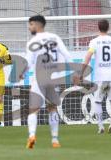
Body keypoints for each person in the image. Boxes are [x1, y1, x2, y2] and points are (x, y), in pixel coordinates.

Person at [19, 15, 72, 149]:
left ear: (37, 25)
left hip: (39, 77)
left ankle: (32, 136)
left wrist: (22, 74)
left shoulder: (33, 41)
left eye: (30, 24)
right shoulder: (55, 38)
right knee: (52, 109)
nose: (29, 27)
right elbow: (67, 55)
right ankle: (55, 140)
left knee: (33, 110)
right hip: (53, 77)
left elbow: (28, 63)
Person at [76, 19, 111, 133]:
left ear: (98, 28)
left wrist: (81, 72)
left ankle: (100, 126)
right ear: (108, 28)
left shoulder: (95, 42)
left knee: (97, 101)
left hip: (100, 77)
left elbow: (88, 56)